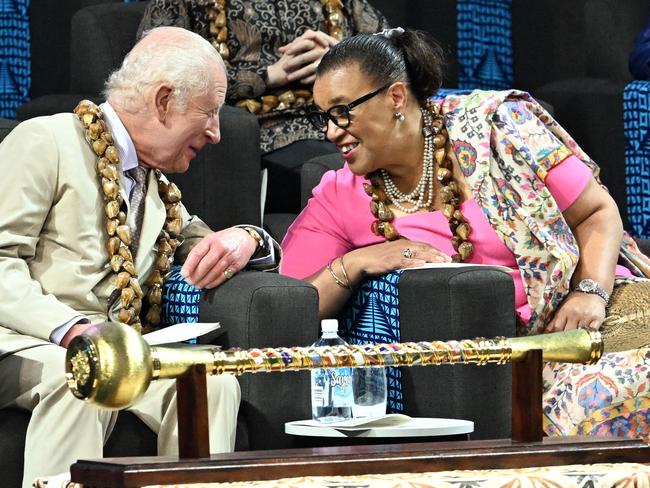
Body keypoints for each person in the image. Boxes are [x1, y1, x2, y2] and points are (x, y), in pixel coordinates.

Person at [281, 29, 650, 438]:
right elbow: (290, 308)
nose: (332, 131)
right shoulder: (341, 193)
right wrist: (353, 264)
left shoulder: (498, 128)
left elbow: (597, 212)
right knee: (603, 399)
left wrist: (589, 292)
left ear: (396, 98)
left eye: (342, 111)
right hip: (509, 362)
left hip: (596, 317)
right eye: (324, 117)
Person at [0, 27, 278, 488]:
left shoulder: (156, 185)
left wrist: (248, 237)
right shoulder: (45, 140)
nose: (215, 132)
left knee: (211, 382)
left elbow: (200, 240)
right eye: (209, 112)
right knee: (85, 377)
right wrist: (74, 331)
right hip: (23, 342)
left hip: (122, 351)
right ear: (165, 100)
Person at [137, 0, 389, 214]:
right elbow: (154, 71)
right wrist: (268, 76)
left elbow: (392, 51)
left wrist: (343, 58)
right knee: (334, 173)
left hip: (344, 120)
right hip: (260, 131)